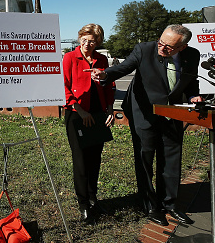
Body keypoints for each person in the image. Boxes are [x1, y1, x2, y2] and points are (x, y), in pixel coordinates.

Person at [86, 24, 203, 227]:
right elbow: (123, 68)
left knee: (172, 159)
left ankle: (170, 204)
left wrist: (194, 96)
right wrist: (104, 75)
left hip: (173, 113)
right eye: (161, 42)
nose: (162, 48)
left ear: (182, 47)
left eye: (168, 47)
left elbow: (191, 82)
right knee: (145, 159)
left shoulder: (192, 55)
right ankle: (150, 206)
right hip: (144, 112)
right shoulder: (144, 49)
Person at [62, 23, 115, 223]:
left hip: (97, 114)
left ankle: (93, 199)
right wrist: (80, 109)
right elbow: (63, 87)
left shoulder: (101, 59)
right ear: (79, 39)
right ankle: (83, 203)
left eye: (92, 41)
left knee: (95, 158)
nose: (87, 44)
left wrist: (109, 108)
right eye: (84, 39)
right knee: (81, 160)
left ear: (98, 42)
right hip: (77, 114)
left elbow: (109, 86)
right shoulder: (69, 57)